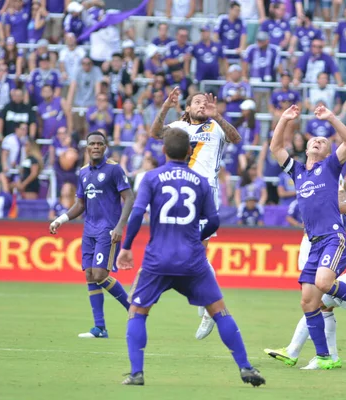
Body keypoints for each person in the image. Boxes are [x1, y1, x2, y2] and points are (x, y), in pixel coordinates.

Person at [116, 128, 265, 387]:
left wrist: (126, 246)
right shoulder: (200, 181)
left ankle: (137, 373)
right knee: (220, 312)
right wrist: (197, 239)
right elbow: (214, 220)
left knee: (137, 312)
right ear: (190, 151)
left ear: (163, 150)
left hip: (158, 259)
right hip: (192, 259)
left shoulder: (151, 178)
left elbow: (138, 214)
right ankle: (246, 367)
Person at [267, 104, 346, 370]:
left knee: (323, 281)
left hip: (333, 238)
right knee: (308, 301)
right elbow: (275, 148)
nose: (318, 141)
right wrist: (284, 119)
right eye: (314, 140)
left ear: (329, 152)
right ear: (306, 149)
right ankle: (324, 357)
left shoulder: (330, 167)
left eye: (323, 141)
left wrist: (331, 118)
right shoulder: (298, 172)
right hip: (314, 242)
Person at [151, 89, 242, 340]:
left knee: (196, 251)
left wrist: (219, 116)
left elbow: (236, 138)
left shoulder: (216, 126)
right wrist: (166, 106)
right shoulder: (178, 127)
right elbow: (155, 133)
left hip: (205, 194)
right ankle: (207, 306)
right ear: (188, 108)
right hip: (179, 192)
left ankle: (209, 307)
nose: (203, 106)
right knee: (186, 252)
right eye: (197, 102)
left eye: (206, 102)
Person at [49, 131, 135, 338]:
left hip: (108, 229)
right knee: (89, 275)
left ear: (105, 147)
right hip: (89, 230)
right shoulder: (84, 172)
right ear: (86, 148)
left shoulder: (114, 170)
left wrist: (120, 227)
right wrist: (61, 219)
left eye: (99, 144)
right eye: (92, 144)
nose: (95, 147)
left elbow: (130, 198)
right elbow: (80, 204)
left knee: (99, 274)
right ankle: (100, 328)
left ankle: (133, 308)